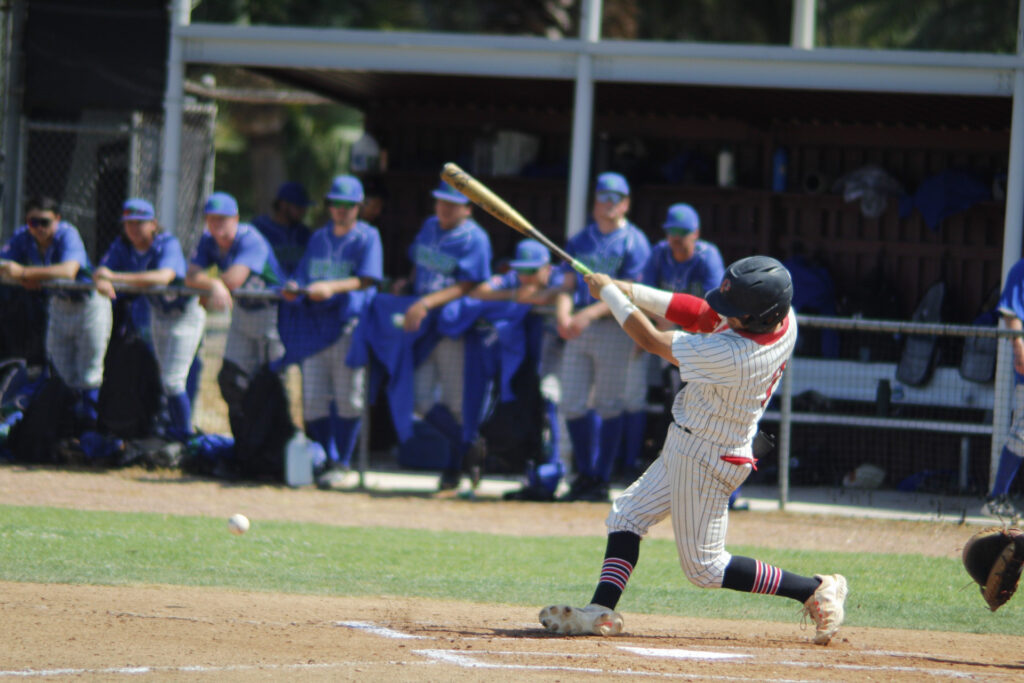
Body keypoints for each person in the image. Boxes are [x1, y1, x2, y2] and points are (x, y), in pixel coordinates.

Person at [538, 256, 848, 646]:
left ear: (760, 317)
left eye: (737, 313)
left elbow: (651, 340)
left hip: (706, 455)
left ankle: (813, 588)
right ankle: (600, 610)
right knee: (626, 516)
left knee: (705, 568)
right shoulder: (783, 319)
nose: (727, 315)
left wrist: (613, 297)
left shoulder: (737, 355)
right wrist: (629, 289)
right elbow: (702, 312)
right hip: (693, 441)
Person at [554, 172, 651, 502]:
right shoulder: (581, 239)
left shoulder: (634, 242)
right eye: (602, 197)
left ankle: (601, 477)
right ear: (594, 201)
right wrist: (563, 315)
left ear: (625, 203)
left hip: (616, 326)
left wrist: (587, 314)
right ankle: (584, 473)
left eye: (615, 198)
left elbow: (631, 295)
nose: (608, 204)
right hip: (579, 329)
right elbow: (567, 286)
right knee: (571, 403)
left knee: (609, 404)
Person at [283, 175, 383, 489]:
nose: (340, 211)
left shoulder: (368, 236)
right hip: (315, 327)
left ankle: (343, 462)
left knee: (348, 398)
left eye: (348, 206)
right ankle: (327, 458)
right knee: (313, 399)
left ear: (359, 207)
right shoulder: (318, 237)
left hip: (348, 325)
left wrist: (332, 287)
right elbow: (303, 275)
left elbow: (368, 279)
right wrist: (293, 287)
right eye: (335, 204)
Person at [619, 203, 725, 487]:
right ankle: (671, 471)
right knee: (674, 404)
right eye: (671, 232)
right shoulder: (659, 253)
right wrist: (658, 335)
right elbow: (645, 295)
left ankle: (718, 482)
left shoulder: (707, 256)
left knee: (709, 415)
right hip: (670, 340)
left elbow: (715, 310)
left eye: (682, 233)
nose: (676, 239)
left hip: (705, 345)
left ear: (695, 234)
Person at [399, 180, 492, 491]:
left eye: (451, 203)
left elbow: (468, 284)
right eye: (440, 201)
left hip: (454, 327)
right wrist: (408, 286)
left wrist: (425, 302)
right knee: (418, 397)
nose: (444, 208)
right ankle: (470, 446)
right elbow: (418, 263)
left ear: (466, 207)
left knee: (455, 403)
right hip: (424, 326)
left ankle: (452, 470)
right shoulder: (429, 226)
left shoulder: (475, 238)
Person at [94, 198, 206, 440]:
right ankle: (165, 430)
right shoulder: (121, 245)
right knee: (160, 377)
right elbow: (101, 273)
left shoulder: (167, 243)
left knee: (174, 380)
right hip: (157, 315)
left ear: (153, 224)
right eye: (128, 223)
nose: (133, 228)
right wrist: (103, 279)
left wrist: (115, 277)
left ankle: (185, 438)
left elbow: (163, 277)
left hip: (183, 316)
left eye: (140, 223)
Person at [0, 196, 112, 426]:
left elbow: (68, 270)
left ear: (57, 220)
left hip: (88, 305)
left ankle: (88, 430)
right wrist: (26, 276)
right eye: (34, 222)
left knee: (88, 373)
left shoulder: (66, 234)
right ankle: (65, 430)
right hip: (59, 306)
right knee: (60, 373)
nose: (39, 228)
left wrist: (25, 274)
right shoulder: (24, 236)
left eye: (45, 222)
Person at [470, 239, 566, 501]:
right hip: (523, 366)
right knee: (526, 421)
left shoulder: (560, 277)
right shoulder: (514, 280)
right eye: (522, 270)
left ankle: (552, 480)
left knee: (551, 417)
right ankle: (532, 480)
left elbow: (565, 292)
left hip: (555, 360)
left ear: (546, 268)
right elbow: (479, 292)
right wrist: (516, 295)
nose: (525, 277)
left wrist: (540, 295)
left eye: (532, 271)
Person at [185, 192, 286, 420]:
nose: (216, 223)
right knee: (232, 381)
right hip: (242, 312)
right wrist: (213, 284)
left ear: (236, 218)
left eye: (223, 218)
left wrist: (218, 285)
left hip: (272, 314)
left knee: (272, 383)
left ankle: (274, 448)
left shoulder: (251, 239)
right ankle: (244, 444)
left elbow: (234, 279)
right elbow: (190, 274)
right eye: (212, 218)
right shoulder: (208, 239)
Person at [985, 257, 1024, 519]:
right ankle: (996, 497)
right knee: (1023, 433)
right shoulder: (1021, 269)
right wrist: (1019, 348)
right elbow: (1011, 314)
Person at [251, 181, 314, 276]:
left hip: (298, 288)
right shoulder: (259, 229)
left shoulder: (304, 233)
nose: (303, 211)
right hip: (267, 288)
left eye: (304, 207)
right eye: (298, 207)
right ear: (283, 205)